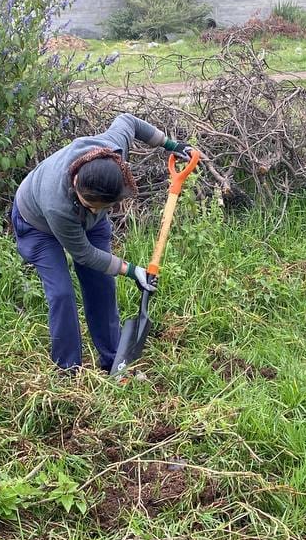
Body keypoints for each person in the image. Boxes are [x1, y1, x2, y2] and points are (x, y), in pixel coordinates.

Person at [11, 113, 194, 371]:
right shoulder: (57, 205)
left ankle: (113, 361)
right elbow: (85, 254)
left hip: (78, 218)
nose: (96, 212)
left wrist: (173, 145)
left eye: (103, 208)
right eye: (90, 206)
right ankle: (68, 370)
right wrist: (132, 271)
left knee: (102, 285)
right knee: (62, 293)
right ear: (76, 184)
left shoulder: (113, 151)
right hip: (36, 224)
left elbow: (129, 121)